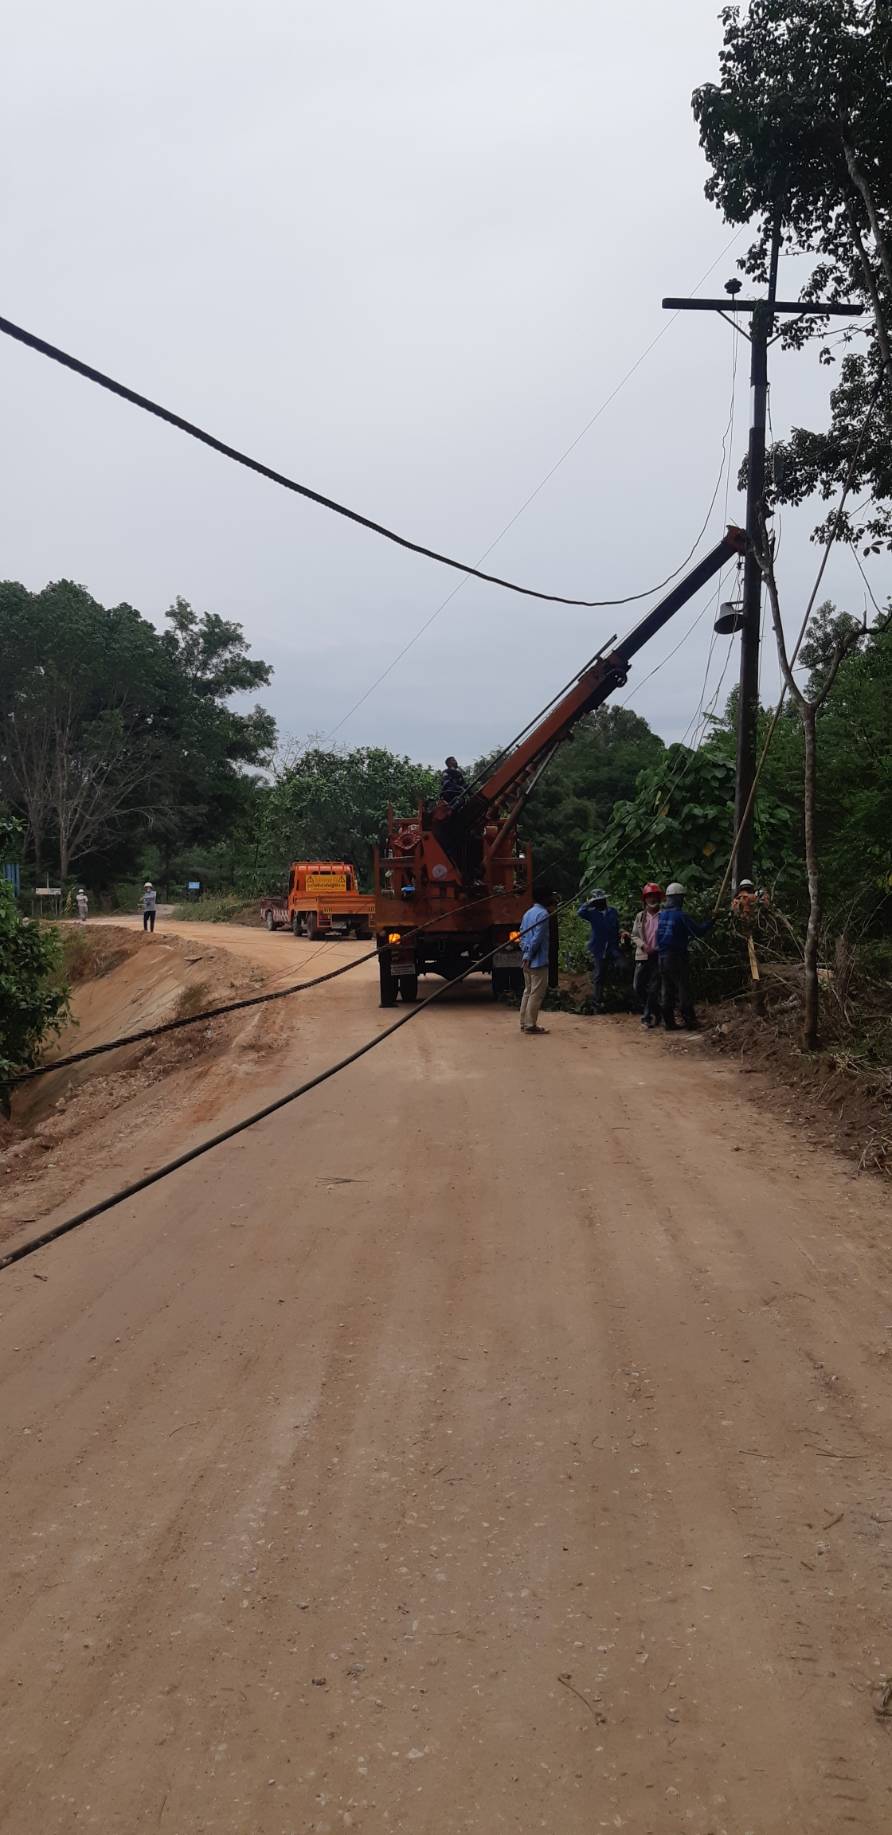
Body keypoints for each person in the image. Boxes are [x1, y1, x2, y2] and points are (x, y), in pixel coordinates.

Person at [657, 882, 713, 1030]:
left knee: (667, 989)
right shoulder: (680, 916)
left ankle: (669, 1022)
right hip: (676, 957)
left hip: (661, 957)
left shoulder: (661, 915)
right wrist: (711, 921)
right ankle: (690, 1021)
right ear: (678, 898)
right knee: (683, 988)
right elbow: (698, 932)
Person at [576, 887, 623, 1014]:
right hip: (599, 948)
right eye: (597, 901)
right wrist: (588, 903)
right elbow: (580, 912)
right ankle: (598, 1001)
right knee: (599, 975)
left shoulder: (612, 912)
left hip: (613, 947)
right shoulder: (592, 913)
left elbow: (616, 927)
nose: (600, 903)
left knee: (621, 968)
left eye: (601, 900)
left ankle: (617, 998)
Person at [518, 886, 553, 1036]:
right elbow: (537, 939)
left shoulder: (528, 913)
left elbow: (522, 934)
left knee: (528, 991)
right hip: (537, 961)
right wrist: (529, 955)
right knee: (536, 993)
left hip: (527, 959)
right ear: (544, 898)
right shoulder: (543, 914)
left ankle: (523, 1022)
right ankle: (531, 1024)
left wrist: (525, 952)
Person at [631, 882, 663, 1027]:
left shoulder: (664, 916)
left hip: (658, 956)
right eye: (649, 896)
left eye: (655, 896)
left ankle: (647, 1017)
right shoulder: (640, 916)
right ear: (645, 899)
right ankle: (657, 1010)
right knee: (638, 986)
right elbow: (634, 935)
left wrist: (656, 947)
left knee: (654, 988)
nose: (652, 899)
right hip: (643, 955)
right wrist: (643, 945)